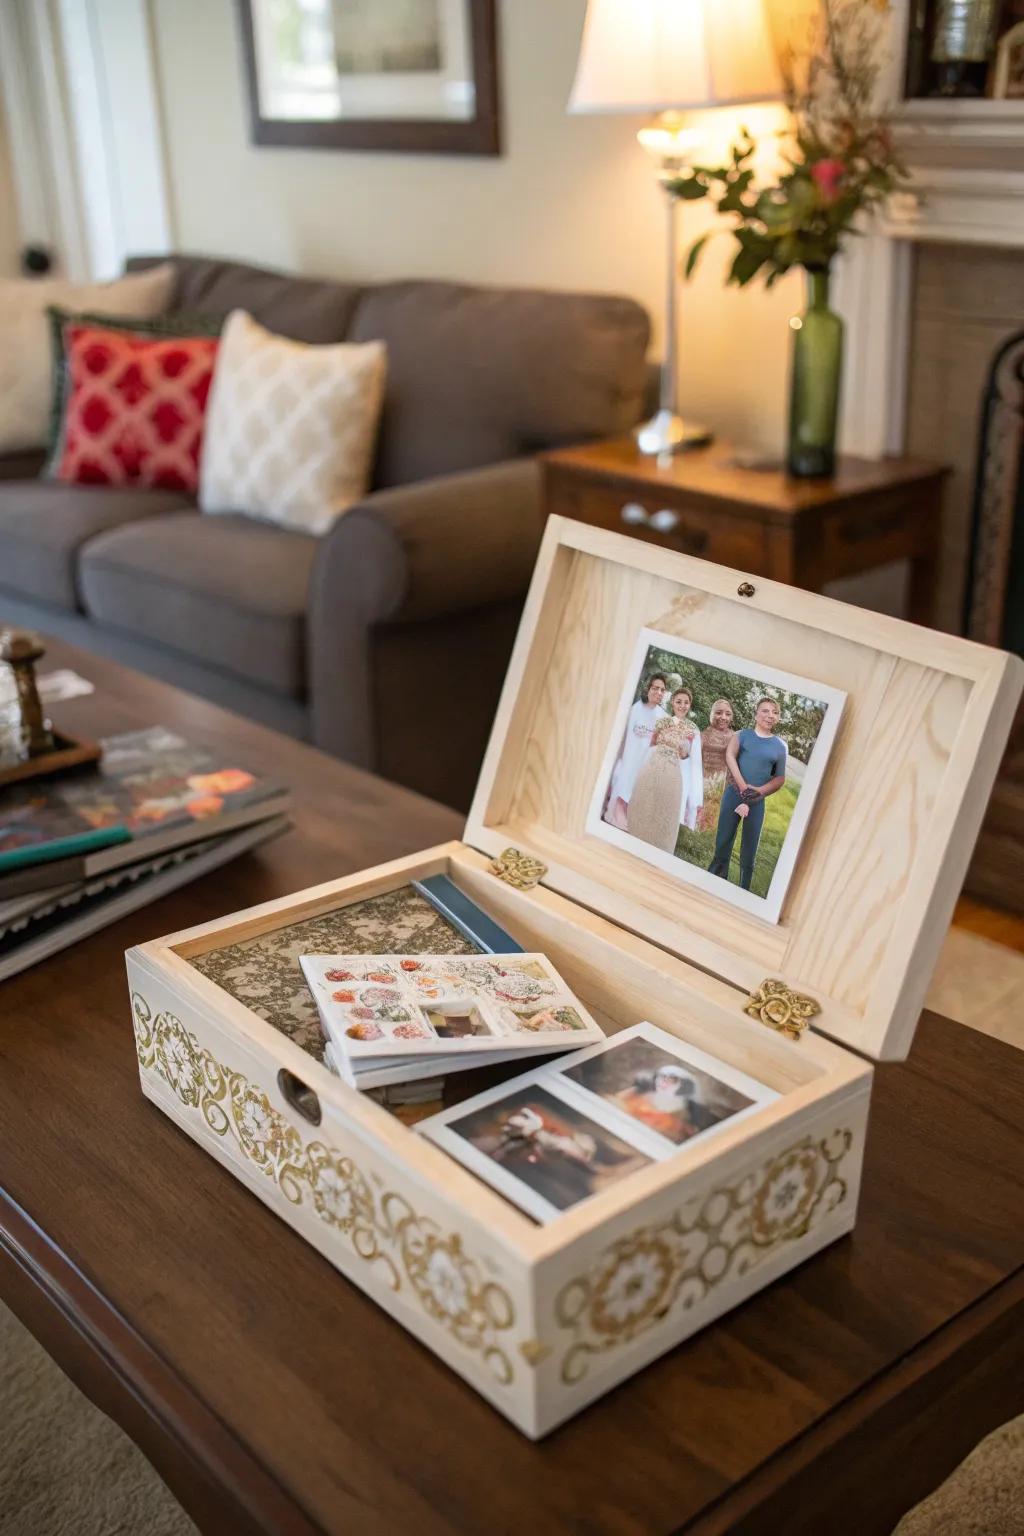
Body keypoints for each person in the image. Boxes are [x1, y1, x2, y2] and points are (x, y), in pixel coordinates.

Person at [708, 697, 787, 891]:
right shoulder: (742, 735)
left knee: (749, 851)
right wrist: (743, 786)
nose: (770, 716)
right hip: (734, 794)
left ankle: (742, 892)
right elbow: (730, 756)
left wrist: (759, 791)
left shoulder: (780, 747)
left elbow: (779, 779)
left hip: (757, 802)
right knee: (723, 841)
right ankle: (713, 884)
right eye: (765, 711)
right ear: (756, 714)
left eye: (775, 713)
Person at [627, 687, 701, 852]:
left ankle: (656, 848)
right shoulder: (662, 721)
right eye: (679, 701)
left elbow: (685, 755)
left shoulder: (691, 728)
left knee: (663, 809)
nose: (682, 705)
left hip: (672, 771)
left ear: (690, 705)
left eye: (686, 702)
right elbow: (651, 744)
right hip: (652, 765)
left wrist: (685, 748)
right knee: (645, 803)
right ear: (672, 703)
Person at [605, 673, 667, 829]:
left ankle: (627, 815)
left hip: (645, 761)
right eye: (655, 688)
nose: (659, 692)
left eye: (662, 690)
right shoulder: (636, 708)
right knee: (624, 780)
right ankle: (615, 813)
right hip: (629, 757)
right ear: (648, 688)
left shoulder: (662, 716)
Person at [701, 699, 735, 779]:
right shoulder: (701, 736)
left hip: (728, 786)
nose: (723, 717)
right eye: (719, 713)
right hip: (705, 783)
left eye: (728, 714)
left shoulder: (736, 737)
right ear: (711, 714)